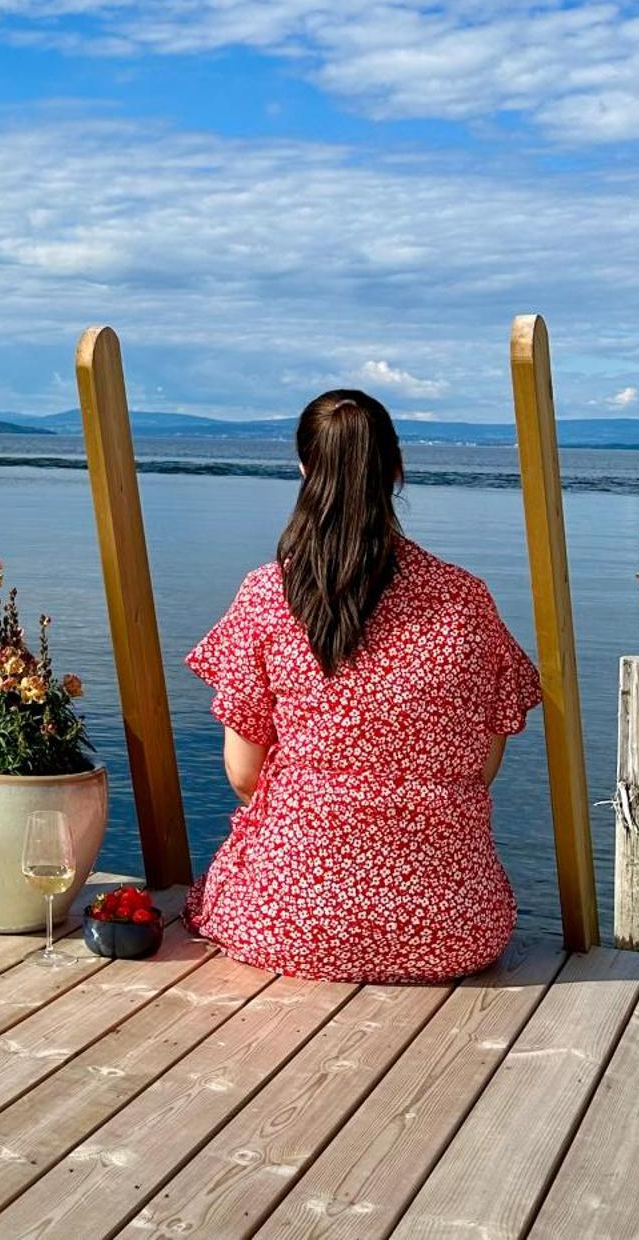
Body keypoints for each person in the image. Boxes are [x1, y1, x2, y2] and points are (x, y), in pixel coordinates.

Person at [182, 388, 543, 982]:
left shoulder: (267, 597)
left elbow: (244, 775)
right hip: (453, 930)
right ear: (397, 469)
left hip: (287, 923)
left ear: (303, 468)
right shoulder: (465, 600)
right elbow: (480, 766)